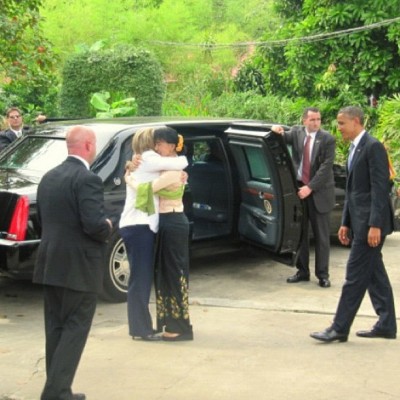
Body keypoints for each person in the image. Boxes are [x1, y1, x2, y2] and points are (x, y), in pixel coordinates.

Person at [33, 125, 113, 400]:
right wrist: (108, 225)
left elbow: (43, 221)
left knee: (55, 327)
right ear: (89, 146)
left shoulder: (48, 177)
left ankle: (58, 389)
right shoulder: (87, 179)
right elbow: (93, 225)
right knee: (75, 328)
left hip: (50, 262)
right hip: (79, 266)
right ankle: (55, 392)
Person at [310, 106, 397, 343]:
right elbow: (352, 190)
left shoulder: (373, 147)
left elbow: (379, 190)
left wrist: (376, 226)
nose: (338, 129)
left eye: (341, 124)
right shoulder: (353, 148)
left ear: (356, 122)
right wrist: (345, 223)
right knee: (374, 275)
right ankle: (387, 324)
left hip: (371, 226)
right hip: (359, 222)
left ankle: (339, 328)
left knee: (355, 275)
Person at [120, 127, 188, 341]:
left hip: (139, 224)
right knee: (140, 279)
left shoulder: (143, 159)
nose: (159, 146)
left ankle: (142, 327)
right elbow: (181, 163)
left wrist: (128, 171)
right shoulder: (148, 158)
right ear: (151, 143)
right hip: (139, 225)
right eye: (156, 142)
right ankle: (141, 329)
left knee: (141, 277)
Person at [272, 107, 336, 288]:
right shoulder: (297, 133)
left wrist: (310, 187)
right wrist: (275, 129)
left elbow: (326, 168)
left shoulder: (327, 139)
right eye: (312, 120)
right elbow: (281, 136)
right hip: (300, 190)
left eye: (318, 119)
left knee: (322, 237)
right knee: (300, 235)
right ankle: (302, 271)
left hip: (319, 192)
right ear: (304, 121)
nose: (316, 123)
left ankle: (323, 275)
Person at [147, 127, 193, 341]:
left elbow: (146, 189)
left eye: (161, 144)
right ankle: (174, 324)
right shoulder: (170, 166)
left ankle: (179, 326)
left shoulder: (175, 169)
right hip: (168, 222)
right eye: (155, 144)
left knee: (174, 273)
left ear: (173, 146)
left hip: (173, 221)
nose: (157, 148)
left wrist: (128, 176)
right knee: (166, 273)